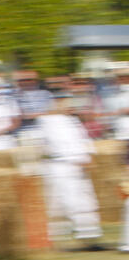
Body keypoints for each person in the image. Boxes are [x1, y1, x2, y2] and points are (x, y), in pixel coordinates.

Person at [34, 96, 104, 249]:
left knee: (83, 200)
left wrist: (86, 156)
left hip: (75, 166)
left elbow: (81, 141)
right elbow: (55, 145)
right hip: (62, 166)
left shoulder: (72, 121)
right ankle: (60, 238)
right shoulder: (49, 122)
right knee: (65, 201)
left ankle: (88, 235)